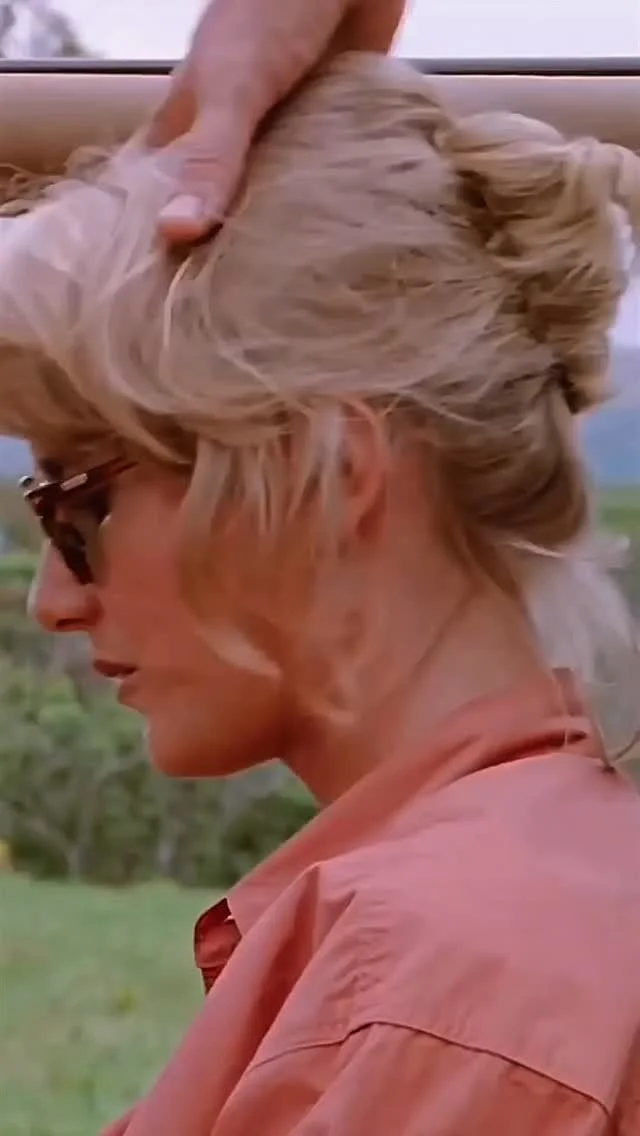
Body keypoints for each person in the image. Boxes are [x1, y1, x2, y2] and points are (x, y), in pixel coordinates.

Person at [1, 28, 640, 1136]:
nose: (51, 601)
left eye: (80, 507)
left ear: (329, 472)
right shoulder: (534, 888)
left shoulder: (432, 999)